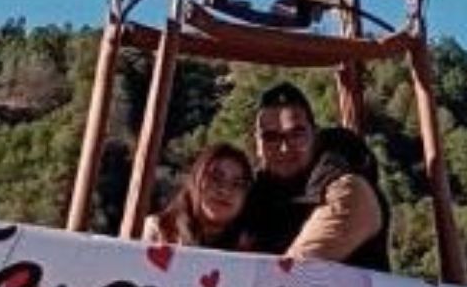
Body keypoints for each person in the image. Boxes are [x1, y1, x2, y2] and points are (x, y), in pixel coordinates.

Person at [239, 83, 389, 271]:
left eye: (297, 134)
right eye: (270, 137)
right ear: (257, 145)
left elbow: (293, 273)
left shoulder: (347, 190)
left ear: (315, 135)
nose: (284, 148)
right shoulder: (251, 196)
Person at [141, 142, 253, 249]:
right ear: (196, 180)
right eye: (215, 178)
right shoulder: (159, 231)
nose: (225, 191)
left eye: (237, 184)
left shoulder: (251, 251)